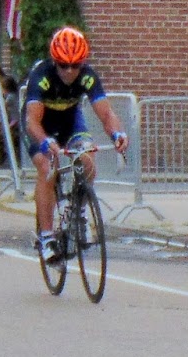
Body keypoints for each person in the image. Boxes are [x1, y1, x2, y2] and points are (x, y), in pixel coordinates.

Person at [24, 26, 129, 265]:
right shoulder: (41, 77)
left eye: (76, 65)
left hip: (71, 122)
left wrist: (118, 134)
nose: (70, 71)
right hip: (42, 126)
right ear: (54, 61)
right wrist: (45, 140)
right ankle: (46, 237)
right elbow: (32, 122)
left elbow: (106, 113)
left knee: (88, 159)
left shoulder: (88, 76)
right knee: (46, 167)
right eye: (63, 65)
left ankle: (78, 212)